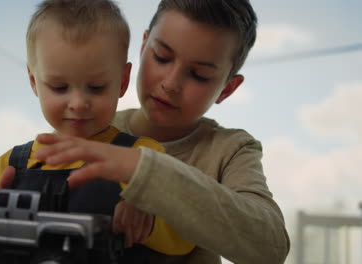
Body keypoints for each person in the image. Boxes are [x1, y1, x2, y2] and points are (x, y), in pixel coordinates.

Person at [33, 0, 291, 263]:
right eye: (162, 57)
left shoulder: (231, 149)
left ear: (226, 89)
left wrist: (146, 174)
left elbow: (271, 248)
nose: (171, 84)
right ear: (144, 46)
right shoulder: (88, 123)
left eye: (199, 74)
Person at [0, 0, 195, 257]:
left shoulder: (144, 158)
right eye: (59, 88)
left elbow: (187, 238)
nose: (78, 104)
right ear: (34, 82)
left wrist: (148, 214)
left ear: (123, 81)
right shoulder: (4, 167)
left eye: (96, 87)